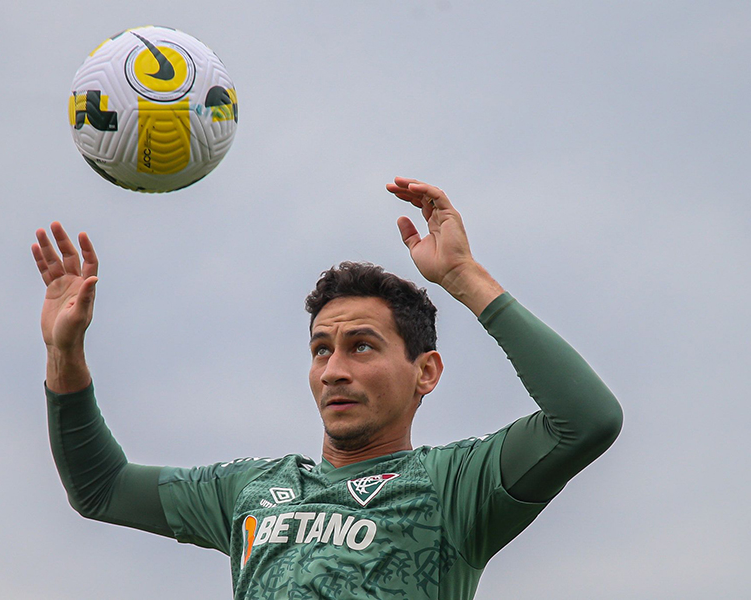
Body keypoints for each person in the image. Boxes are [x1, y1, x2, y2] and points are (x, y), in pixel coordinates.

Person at [32, 177, 623, 600]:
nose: (333, 369)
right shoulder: (252, 489)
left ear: (426, 372)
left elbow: (588, 418)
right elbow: (100, 488)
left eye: (362, 346)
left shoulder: (454, 484)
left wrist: (464, 279)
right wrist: (65, 353)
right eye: (321, 349)